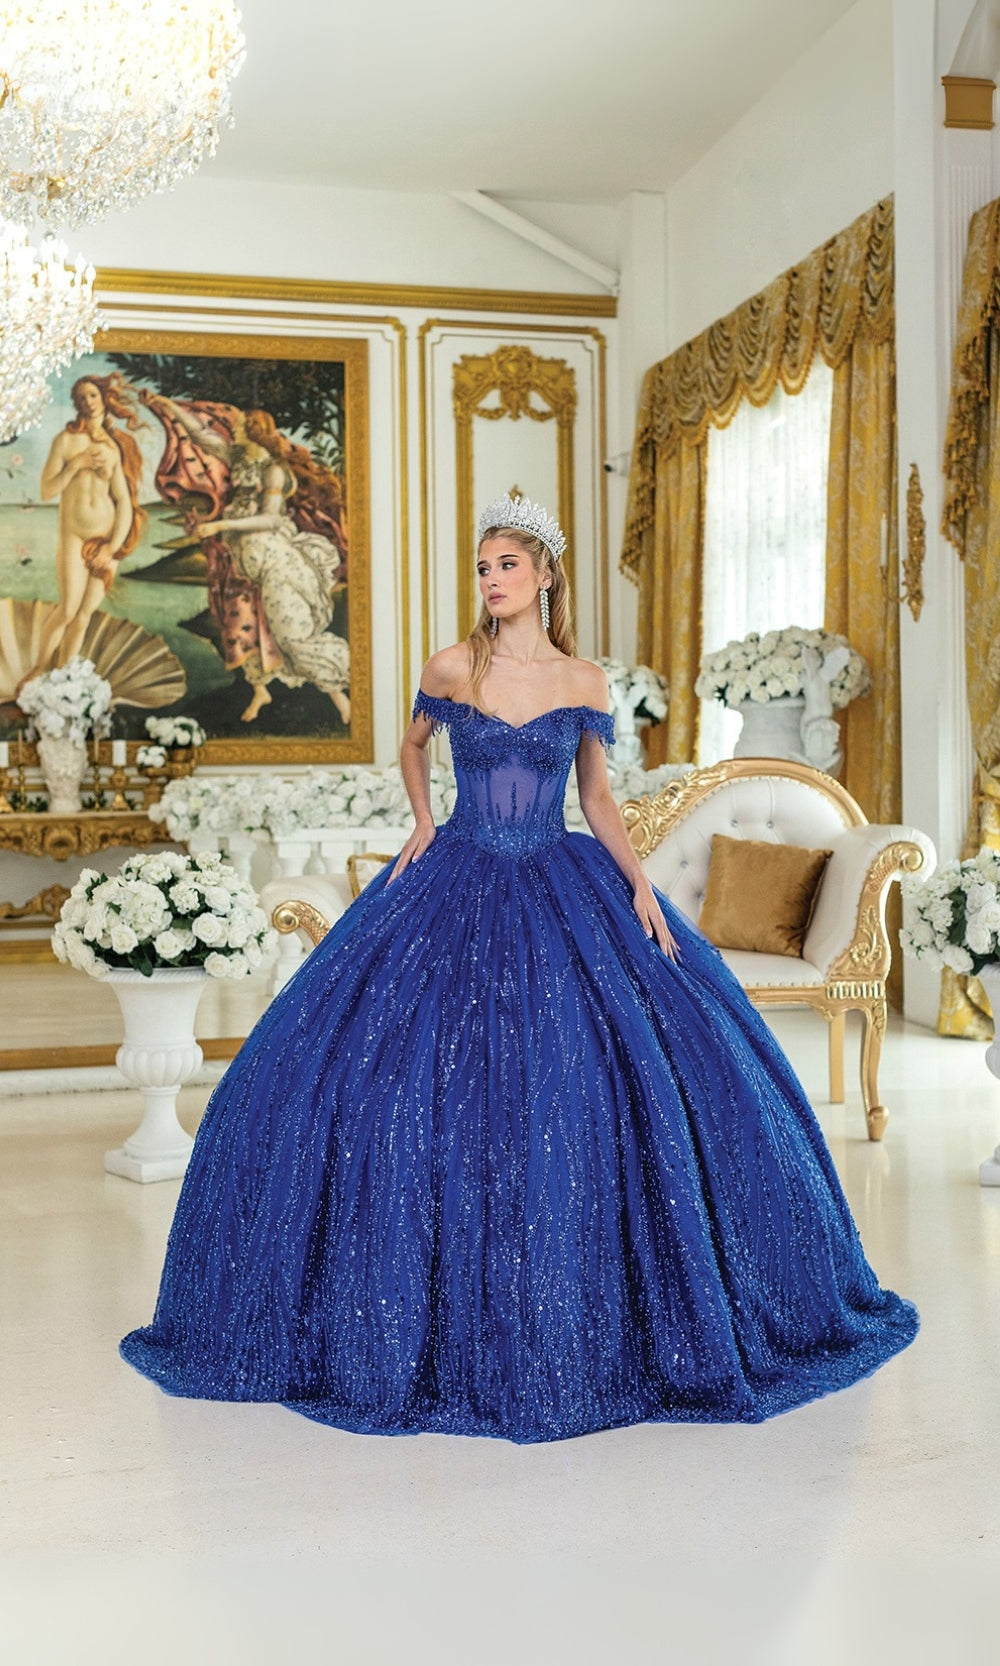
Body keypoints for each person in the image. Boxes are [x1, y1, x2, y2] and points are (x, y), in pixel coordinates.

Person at [120, 494, 918, 1444]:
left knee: (599, 1073)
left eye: (506, 565)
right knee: (385, 1076)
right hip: (457, 870)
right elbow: (413, 748)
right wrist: (424, 822)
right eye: (483, 567)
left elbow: (597, 797)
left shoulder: (583, 679)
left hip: (558, 868)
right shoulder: (452, 666)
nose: (491, 580)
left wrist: (640, 886)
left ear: (544, 576)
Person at [140, 392, 349, 725]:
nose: (232, 430)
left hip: (273, 559)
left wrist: (220, 525)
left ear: (254, 431)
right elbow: (200, 435)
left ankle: (339, 697)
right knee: (238, 623)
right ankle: (260, 690)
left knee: (290, 633)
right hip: (240, 559)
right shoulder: (238, 457)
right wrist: (166, 406)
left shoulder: (273, 469)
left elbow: (270, 519)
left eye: (239, 426)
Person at [21, 375, 146, 681]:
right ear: (76, 403)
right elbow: (47, 490)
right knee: (67, 609)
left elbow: (123, 501)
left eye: (92, 395)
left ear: (103, 398)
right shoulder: (65, 441)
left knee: (85, 613)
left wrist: (111, 548)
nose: (88, 402)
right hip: (74, 536)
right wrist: (76, 464)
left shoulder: (113, 447)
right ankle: (38, 669)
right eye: (81, 397)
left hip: (106, 539)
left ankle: (64, 676)